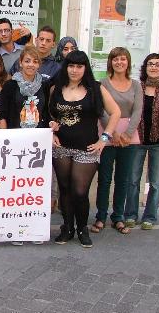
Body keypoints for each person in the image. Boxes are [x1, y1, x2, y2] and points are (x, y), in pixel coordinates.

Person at [49, 50, 120, 248]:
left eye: (79, 66)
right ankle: (67, 228)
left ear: (85, 68)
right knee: (64, 190)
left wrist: (104, 139)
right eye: (71, 65)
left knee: (80, 192)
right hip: (61, 148)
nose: (74, 70)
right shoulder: (56, 88)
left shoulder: (96, 89)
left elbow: (115, 112)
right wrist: (52, 131)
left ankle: (82, 229)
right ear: (66, 67)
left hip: (87, 149)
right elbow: (52, 116)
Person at [0, 46, 50, 246]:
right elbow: (3, 114)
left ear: (39, 64)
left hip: (38, 144)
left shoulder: (44, 85)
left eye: (35, 61)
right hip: (16, 142)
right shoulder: (11, 86)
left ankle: (35, 229)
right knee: (15, 189)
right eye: (27, 61)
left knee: (35, 188)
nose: (31, 65)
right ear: (20, 62)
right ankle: (16, 229)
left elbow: (47, 113)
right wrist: (4, 139)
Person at [92, 47, 143, 235]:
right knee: (104, 179)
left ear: (128, 62)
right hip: (107, 136)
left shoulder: (136, 85)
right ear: (110, 62)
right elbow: (102, 111)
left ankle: (118, 217)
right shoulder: (103, 83)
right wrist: (111, 133)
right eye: (115, 59)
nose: (119, 62)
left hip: (129, 138)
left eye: (123, 59)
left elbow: (138, 111)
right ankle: (100, 217)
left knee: (123, 179)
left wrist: (128, 134)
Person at [125, 53, 159, 230]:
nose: (154, 67)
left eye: (157, 65)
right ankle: (130, 215)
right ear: (145, 68)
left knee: (155, 183)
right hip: (137, 140)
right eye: (150, 64)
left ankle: (150, 217)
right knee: (132, 180)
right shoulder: (137, 88)